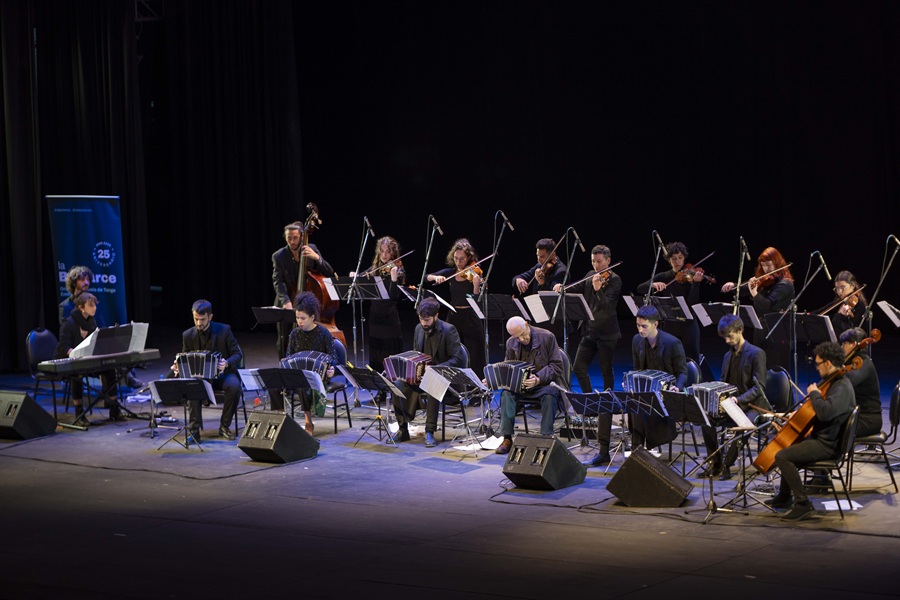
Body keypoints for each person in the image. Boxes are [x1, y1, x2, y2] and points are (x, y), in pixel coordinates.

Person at [767, 341, 856, 521]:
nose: (817, 368)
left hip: (828, 445)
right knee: (789, 446)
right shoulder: (834, 382)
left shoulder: (842, 387)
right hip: (823, 439)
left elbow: (825, 412)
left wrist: (814, 393)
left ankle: (803, 504)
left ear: (828, 363)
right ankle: (784, 496)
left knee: (782, 456)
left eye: (818, 364)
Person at [568, 245, 622, 467]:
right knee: (578, 366)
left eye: (599, 261)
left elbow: (608, 306)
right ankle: (591, 404)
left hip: (607, 334)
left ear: (608, 260)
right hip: (589, 332)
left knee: (606, 373)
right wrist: (563, 287)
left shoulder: (615, 280)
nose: (596, 265)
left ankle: (606, 410)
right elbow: (576, 288)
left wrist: (599, 290)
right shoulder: (591, 275)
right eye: (593, 261)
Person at [699, 314, 768, 479]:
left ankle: (727, 465)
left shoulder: (756, 353)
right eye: (724, 337)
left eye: (729, 336)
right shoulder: (727, 356)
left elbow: (759, 388)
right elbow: (724, 382)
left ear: (740, 330)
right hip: (732, 405)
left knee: (745, 425)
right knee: (705, 419)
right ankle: (715, 462)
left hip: (753, 405)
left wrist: (739, 399)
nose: (727, 341)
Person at [390, 297, 465, 447]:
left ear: (436, 315)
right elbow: (416, 354)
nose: (424, 323)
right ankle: (403, 428)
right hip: (420, 377)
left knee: (433, 382)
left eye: (427, 320)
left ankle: (429, 431)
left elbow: (457, 359)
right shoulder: (418, 329)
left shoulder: (449, 330)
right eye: (421, 319)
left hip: (443, 377)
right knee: (397, 383)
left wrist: (436, 368)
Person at [58, 265, 145, 390]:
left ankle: (125, 375)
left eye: (88, 279)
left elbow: (101, 325)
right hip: (77, 348)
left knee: (114, 344)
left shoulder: (92, 302)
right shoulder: (66, 306)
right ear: (73, 283)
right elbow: (68, 333)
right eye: (82, 279)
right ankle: (127, 377)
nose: (86, 282)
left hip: (94, 343)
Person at [173, 299, 244, 442]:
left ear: (210, 317)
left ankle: (224, 426)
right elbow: (184, 357)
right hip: (200, 376)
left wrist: (226, 363)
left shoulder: (224, 330)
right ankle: (194, 430)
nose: (199, 323)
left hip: (222, 374)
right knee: (191, 385)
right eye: (196, 319)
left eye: (202, 319)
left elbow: (237, 354)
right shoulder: (187, 335)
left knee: (235, 387)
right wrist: (178, 366)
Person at [494, 316, 565, 455]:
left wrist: (538, 379)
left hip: (543, 384)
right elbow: (507, 367)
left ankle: (546, 438)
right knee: (506, 394)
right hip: (521, 386)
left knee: (550, 394)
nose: (521, 339)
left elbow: (557, 366)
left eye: (522, 334)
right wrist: (493, 378)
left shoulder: (547, 337)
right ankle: (507, 438)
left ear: (526, 325)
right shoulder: (511, 342)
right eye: (516, 337)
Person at [720, 247, 795, 369]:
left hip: (778, 334)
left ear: (777, 263)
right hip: (761, 330)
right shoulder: (767, 281)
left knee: (775, 370)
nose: (766, 269)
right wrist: (733, 285)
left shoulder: (785, 284)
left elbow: (766, 306)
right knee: (759, 368)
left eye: (769, 265)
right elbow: (746, 289)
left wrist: (754, 293)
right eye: (763, 265)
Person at [54, 292, 123, 424]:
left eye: (95, 305)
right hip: (68, 362)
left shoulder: (91, 322)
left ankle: (114, 408)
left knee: (109, 369)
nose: (94, 308)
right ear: (81, 307)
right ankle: (79, 412)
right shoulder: (69, 323)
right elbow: (64, 346)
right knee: (77, 373)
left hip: (87, 360)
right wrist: (76, 354)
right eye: (91, 305)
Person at [276, 291, 338, 434]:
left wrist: (332, 369)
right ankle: (281, 419)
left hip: (320, 376)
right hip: (300, 374)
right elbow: (289, 355)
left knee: (303, 384)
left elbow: (333, 357)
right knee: (277, 383)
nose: (299, 322)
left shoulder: (323, 333)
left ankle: (308, 421)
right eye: (297, 318)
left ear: (312, 317)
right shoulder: (295, 334)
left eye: (303, 318)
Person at [272, 221, 335, 359]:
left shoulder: (311, 249)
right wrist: (286, 301)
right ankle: (284, 366)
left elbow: (329, 272)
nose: (292, 241)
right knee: (284, 339)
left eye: (295, 238)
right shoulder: (279, 256)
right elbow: (278, 281)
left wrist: (317, 258)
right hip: (288, 300)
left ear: (301, 236)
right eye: (289, 238)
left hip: (308, 302)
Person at [629, 305, 687, 451]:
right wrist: (632, 383)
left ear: (655, 324)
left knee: (643, 406)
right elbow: (637, 370)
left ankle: (645, 447)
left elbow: (682, 372)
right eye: (638, 325)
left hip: (667, 392)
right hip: (647, 392)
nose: (640, 330)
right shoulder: (636, 340)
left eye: (644, 326)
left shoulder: (672, 343)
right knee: (633, 402)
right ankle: (638, 449)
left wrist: (677, 388)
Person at [427, 238, 486, 377]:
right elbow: (426, 277)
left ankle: (475, 385)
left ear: (469, 258)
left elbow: (477, 301)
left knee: (474, 355)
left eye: (462, 259)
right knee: (453, 352)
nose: (459, 262)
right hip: (453, 316)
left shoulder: (475, 273)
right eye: (456, 258)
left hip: (471, 317)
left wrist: (476, 286)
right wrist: (435, 278)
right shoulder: (451, 272)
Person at [636, 241, 703, 362]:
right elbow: (640, 288)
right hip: (671, 324)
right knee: (669, 358)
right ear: (669, 260)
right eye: (674, 258)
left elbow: (693, 302)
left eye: (680, 258)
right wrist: (653, 285)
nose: (677, 261)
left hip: (689, 324)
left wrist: (696, 284)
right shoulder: (664, 276)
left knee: (692, 359)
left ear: (684, 258)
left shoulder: (690, 277)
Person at [512, 238, 569, 347]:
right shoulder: (540, 266)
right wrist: (518, 280)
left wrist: (542, 284)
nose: (539, 259)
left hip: (553, 324)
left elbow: (553, 296)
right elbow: (522, 276)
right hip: (538, 319)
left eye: (542, 256)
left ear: (553, 255)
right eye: (537, 255)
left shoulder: (561, 271)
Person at [840, 327, 882, 438]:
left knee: (833, 430)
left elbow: (849, 381)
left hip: (868, 420)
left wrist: (836, 368)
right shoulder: (853, 362)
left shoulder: (864, 363)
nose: (841, 347)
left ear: (853, 344)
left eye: (844, 344)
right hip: (857, 416)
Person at [830, 271, 868, 336]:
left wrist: (841, 316)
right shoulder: (838, 303)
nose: (839, 292)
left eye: (842, 287)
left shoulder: (859, 306)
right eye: (837, 288)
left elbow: (852, 334)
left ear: (852, 286)